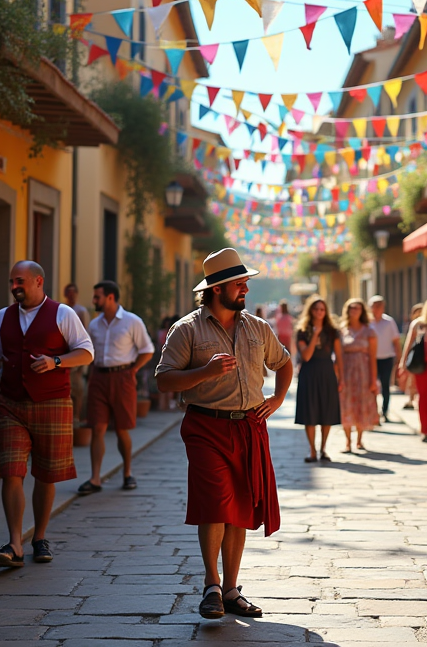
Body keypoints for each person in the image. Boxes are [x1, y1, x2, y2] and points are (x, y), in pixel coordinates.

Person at [156, 248, 292, 620]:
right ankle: (211, 584)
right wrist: (205, 372)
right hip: (205, 426)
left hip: (248, 427)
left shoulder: (257, 327)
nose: (246, 287)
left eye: (245, 281)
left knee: (241, 509)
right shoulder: (186, 329)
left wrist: (277, 399)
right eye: (239, 282)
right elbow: (164, 379)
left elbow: (283, 363)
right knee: (216, 502)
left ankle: (231, 590)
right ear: (217, 289)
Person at [0, 261, 93, 568]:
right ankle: (14, 542)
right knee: (11, 471)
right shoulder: (1, 316)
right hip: (11, 404)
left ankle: (40, 537)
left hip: (53, 403)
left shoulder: (63, 313)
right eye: (11, 281)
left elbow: (86, 352)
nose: (14, 286)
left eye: (19, 281)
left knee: (46, 474)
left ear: (38, 281)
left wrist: (55, 361)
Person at [77, 281, 155, 495]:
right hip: (99, 377)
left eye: (97, 297)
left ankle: (128, 472)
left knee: (122, 429)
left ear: (110, 297)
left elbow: (147, 350)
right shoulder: (94, 325)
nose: (94, 301)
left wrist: (133, 370)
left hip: (123, 377)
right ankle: (95, 478)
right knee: (97, 428)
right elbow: (88, 351)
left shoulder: (132, 322)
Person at [293, 296, 343, 462]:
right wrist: (315, 334)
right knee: (310, 412)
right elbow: (306, 356)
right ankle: (312, 450)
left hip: (327, 372)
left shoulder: (332, 330)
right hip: (309, 372)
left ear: (325, 311)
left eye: (322, 309)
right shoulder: (302, 330)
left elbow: (339, 355)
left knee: (326, 411)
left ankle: (323, 449)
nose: (319, 312)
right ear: (311, 311)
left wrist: (341, 377)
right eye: (316, 309)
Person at [338, 298, 379, 452]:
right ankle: (347, 441)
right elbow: (338, 354)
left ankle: (359, 440)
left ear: (362, 311)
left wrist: (373, 380)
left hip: (363, 372)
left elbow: (373, 357)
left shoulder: (369, 331)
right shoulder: (342, 330)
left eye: (357, 308)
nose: (354, 310)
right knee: (346, 404)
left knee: (361, 404)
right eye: (351, 308)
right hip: (346, 372)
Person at [401, 297, 427, 442]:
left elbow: (408, 345)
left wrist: (403, 363)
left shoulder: (419, 324)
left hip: (422, 367)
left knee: (423, 398)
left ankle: (425, 430)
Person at [368, 295, 402, 421]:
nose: (376, 309)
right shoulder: (367, 323)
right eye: (374, 306)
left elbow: (396, 342)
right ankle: (373, 411)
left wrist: (399, 360)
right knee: (371, 386)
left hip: (386, 358)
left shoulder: (389, 322)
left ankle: (384, 411)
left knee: (385, 386)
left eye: (379, 306)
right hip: (371, 359)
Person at [64, 283, 91, 424]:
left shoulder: (81, 311)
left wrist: (82, 367)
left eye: (73, 292)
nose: (71, 295)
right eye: (69, 292)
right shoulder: (62, 309)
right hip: (65, 356)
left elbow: (86, 336)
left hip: (77, 357)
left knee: (78, 390)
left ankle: (78, 417)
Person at [396, 302, 424, 410]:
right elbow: (408, 342)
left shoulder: (426, 323)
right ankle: (411, 399)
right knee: (412, 379)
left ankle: (414, 399)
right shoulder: (415, 324)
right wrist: (404, 360)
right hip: (415, 355)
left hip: (422, 355)